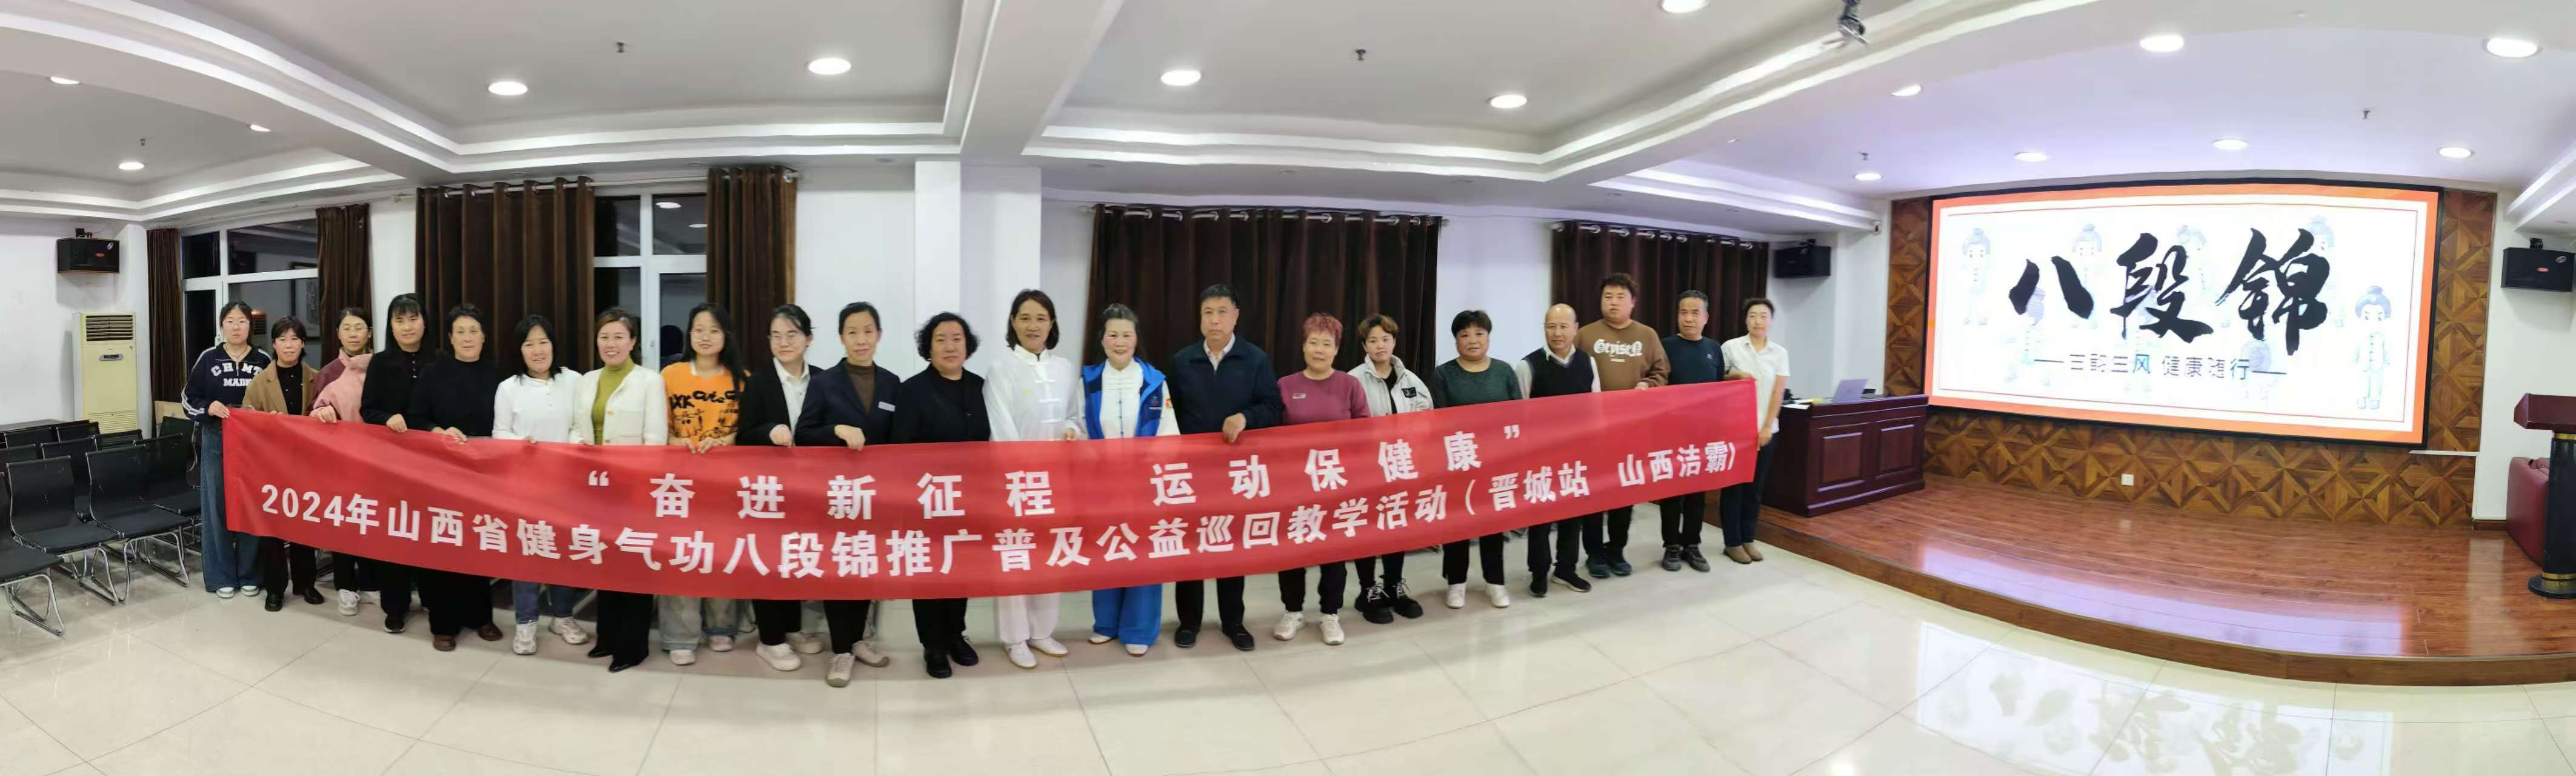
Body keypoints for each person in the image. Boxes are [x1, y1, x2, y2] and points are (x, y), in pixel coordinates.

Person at [741, 304, 877, 686]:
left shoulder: (824, 378)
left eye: (792, 335)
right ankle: (770, 639)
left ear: (809, 339)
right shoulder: (759, 383)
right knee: (770, 558)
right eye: (776, 336)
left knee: (798, 555)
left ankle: (792, 627)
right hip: (772, 489)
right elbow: (744, 434)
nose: (784, 343)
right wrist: (769, 431)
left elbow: (823, 427)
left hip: (816, 488)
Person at [1162, 284, 1284, 652]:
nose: (1214, 320)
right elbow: (1171, 414)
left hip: (1236, 472)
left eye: (1221, 312)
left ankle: (1233, 621)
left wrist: (1246, 417)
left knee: (1230, 547)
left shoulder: (1255, 359)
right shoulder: (1182, 361)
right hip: (1191, 474)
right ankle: (1189, 622)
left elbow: (1273, 407)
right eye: (1207, 313)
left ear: (1236, 316)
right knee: (1190, 546)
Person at [790, 301, 902, 685]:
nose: (861, 339)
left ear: (879, 335)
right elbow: (804, 435)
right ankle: (841, 651)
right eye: (852, 332)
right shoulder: (824, 382)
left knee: (866, 568)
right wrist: (836, 430)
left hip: (876, 496)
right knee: (840, 570)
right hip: (836, 496)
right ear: (841, 338)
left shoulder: (892, 383)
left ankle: (857, 641)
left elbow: (899, 441)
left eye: (868, 331)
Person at [983, 290, 1084, 669]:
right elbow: (1000, 427)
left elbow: (1074, 415)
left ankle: (1042, 630)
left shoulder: (1065, 368)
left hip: (1057, 480)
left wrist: (1072, 430)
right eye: (1025, 318)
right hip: (1016, 481)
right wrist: (1021, 471)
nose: (1033, 326)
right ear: (1013, 323)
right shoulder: (1002, 368)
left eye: (1041, 318)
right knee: (1016, 553)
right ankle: (1014, 637)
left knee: (1049, 553)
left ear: (1052, 323)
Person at [889, 312, 990, 679]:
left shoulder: (980, 387)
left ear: (968, 346)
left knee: (961, 568)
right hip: (927, 500)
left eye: (957, 339)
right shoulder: (912, 390)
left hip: (969, 499)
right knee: (930, 571)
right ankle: (932, 644)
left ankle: (955, 634)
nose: (950, 346)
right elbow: (900, 448)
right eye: (941, 339)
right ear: (928, 348)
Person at [404, 303, 506, 652]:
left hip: (483, 477)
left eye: (473, 331)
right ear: (450, 338)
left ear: (484, 337)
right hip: (441, 475)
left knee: (477, 546)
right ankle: (444, 624)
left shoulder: (498, 375)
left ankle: (480, 616)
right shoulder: (432, 374)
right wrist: (439, 432)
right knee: (444, 548)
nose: (467, 338)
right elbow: (416, 419)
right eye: (460, 331)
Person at [573, 307, 668, 672]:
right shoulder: (588, 380)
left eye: (618, 337)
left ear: (633, 342)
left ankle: (633, 647)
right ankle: (608, 637)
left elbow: (655, 440)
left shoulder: (649, 381)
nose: (610, 344)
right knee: (604, 563)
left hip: (634, 491)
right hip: (595, 489)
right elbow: (577, 428)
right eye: (604, 337)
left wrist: (639, 485)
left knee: (633, 566)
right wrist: (579, 445)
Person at [490, 314, 590, 655]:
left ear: (553, 345)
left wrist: (571, 445)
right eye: (529, 344)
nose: (537, 350)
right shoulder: (509, 388)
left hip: (566, 484)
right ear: (520, 350)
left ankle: (563, 617)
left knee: (563, 553)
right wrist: (522, 444)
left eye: (543, 342)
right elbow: (499, 433)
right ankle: (526, 622)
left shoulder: (573, 381)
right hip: (525, 487)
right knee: (528, 554)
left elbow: (579, 425)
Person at [1081, 304, 1177, 657]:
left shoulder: (1155, 382)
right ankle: (1105, 624)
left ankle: (1139, 629)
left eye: (1126, 335)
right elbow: (1077, 423)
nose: (1120, 342)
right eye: (1113, 335)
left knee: (1143, 552)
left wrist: (1147, 468)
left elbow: (1170, 435)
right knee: (1108, 548)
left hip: (1145, 485)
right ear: (1102, 340)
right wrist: (1074, 437)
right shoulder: (1088, 380)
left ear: (1136, 339)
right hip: (1102, 484)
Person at [656, 302, 749, 666]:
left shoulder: (742, 379)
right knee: (681, 554)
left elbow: (751, 431)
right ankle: (680, 634)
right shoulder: (671, 375)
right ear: (689, 334)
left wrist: (728, 440)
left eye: (714, 330)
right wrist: (678, 442)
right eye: (699, 329)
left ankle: (721, 627)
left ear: (726, 335)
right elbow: (658, 427)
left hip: (725, 485)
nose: (706, 337)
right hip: (679, 484)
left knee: (721, 552)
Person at [1273, 313, 1372, 647]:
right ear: (1303, 346)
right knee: (1292, 553)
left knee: (1334, 552)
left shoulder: (1350, 385)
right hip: (1294, 485)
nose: (1319, 350)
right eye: (1313, 342)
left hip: (1335, 483)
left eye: (1326, 344)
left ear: (1337, 349)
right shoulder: (1285, 386)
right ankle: (1292, 611)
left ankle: (1330, 614)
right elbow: (1270, 437)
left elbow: (1364, 433)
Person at [1576, 273, 1669, 580]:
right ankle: (1594, 553)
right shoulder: (1585, 335)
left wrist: (1648, 384)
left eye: (1620, 297)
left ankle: (1616, 549)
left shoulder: (1647, 336)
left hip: (1631, 431)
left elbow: (1662, 372)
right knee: (1593, 493)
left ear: (1633, 302)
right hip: (1592, 432)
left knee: (1624, 493)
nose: (1613, 302)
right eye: (1608, 297)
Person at [1345, 313, 1434, 624]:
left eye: (1385, 339)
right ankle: (1368, 591)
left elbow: (1428, 419)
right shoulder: (1353, 380)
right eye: (1373, 340)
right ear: (1364, 346)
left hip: (1402, 467)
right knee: (1368, 530)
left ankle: (1394, 586)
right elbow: (1345, 427)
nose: (1380, 345)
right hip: (1367, 470)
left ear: (1394, 342)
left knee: (1397, 527)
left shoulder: (1411, 380)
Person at [1426, 310, 1519, 609]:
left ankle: (1496, 582)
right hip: (1459, 461)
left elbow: (1517, 417)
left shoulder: (1504, 371)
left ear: (1489, 337)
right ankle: (1456, 583)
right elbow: (1438, 421)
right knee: (1458, 524)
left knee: (1494, 523)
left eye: (1479, 333)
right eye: (1464, 335)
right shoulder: (1443, 374)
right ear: (1456, 341)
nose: (1473, 340)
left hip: (1496, 462)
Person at [182, 301, 271, 600]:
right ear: (222, 326)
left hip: (253, 443)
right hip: (216, 437)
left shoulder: (262, 360)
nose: (236, 327)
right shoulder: (208, 358)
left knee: (250, 506)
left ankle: (250, 574)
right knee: (216, 507)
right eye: (231, 321)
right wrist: (208, 407)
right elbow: (188, 398)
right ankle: (221, 575)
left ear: (250, 326)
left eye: (242, 321)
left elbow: (272, 402)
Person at [359, 293, 432, 632]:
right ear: (390, 325)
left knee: (431, 533)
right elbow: (368, 409)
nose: (407, 327)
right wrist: (387, 418)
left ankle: (432, 597)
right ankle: (395, 606)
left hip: (433, 467)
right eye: (399, 320)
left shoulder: (439, 360)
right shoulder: (380, 362)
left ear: (425, 322)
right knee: (395, 534)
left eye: (413, 319)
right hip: (391, 465)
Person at [241, 317, 320, 612]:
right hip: (271, 466)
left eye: (295, 339)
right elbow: (247, 424)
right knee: (272, 529)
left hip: (306, 465)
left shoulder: (317, 378)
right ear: (274, 344)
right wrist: (265, 424)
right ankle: (275, 589)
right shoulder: (260, 381)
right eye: (283, 339)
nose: (289, 345)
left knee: (306, 526)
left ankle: (305, 583)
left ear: (303, 344)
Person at [1519, 304, 1598, 598]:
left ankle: (1566, 569)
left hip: (1577, 455)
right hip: (1540, 456)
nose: (1558, 333)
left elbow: (1596, 408)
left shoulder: (1588, 363)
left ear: (1576, 329)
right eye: (1551, 326)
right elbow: (1519, 416)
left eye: (1564, 326)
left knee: (1572, 515)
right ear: (1544, 329)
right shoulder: (1527, 366)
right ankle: (1539, 573)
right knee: (1540, 518)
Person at [310, 306, 383, 617]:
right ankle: (346, 587)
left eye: (359, 327)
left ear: (369, 332)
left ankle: (370, 583)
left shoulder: (382, 367)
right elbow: (312, 416)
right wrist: (320, 412)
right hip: (340, 466)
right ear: (338, 334)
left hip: (378, 465)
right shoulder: (329, 373)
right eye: (347, 328)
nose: (354, 334)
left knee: (372, 524)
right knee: (343, 526)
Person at [1656, 291, 1728, 573]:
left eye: (1695, 313)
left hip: (1702, 435)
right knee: (1671, 494)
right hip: (1671, 434)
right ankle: (1671, 546)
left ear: (1706, 318)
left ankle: (1692, 545)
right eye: (1684, 312)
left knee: (1698, 494)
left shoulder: (1714, 348)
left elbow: (1719, 389)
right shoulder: (1665, 346)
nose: (1688, 318)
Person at [1718, 298, 1789, 566]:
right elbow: (1716, 380)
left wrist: (1768, 426)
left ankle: (1748, 538)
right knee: (1733, 489)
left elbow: (1778, 392)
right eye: (1752, 315)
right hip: (1735, 431)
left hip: (1766, 432)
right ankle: (1732, 542)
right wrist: (1735, 377)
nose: (1758, 321)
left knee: (1755, 489)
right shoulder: (1732, 347)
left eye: (1763, 316)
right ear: (1745, 320)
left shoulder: (1780, 353)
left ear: (1771, 321)